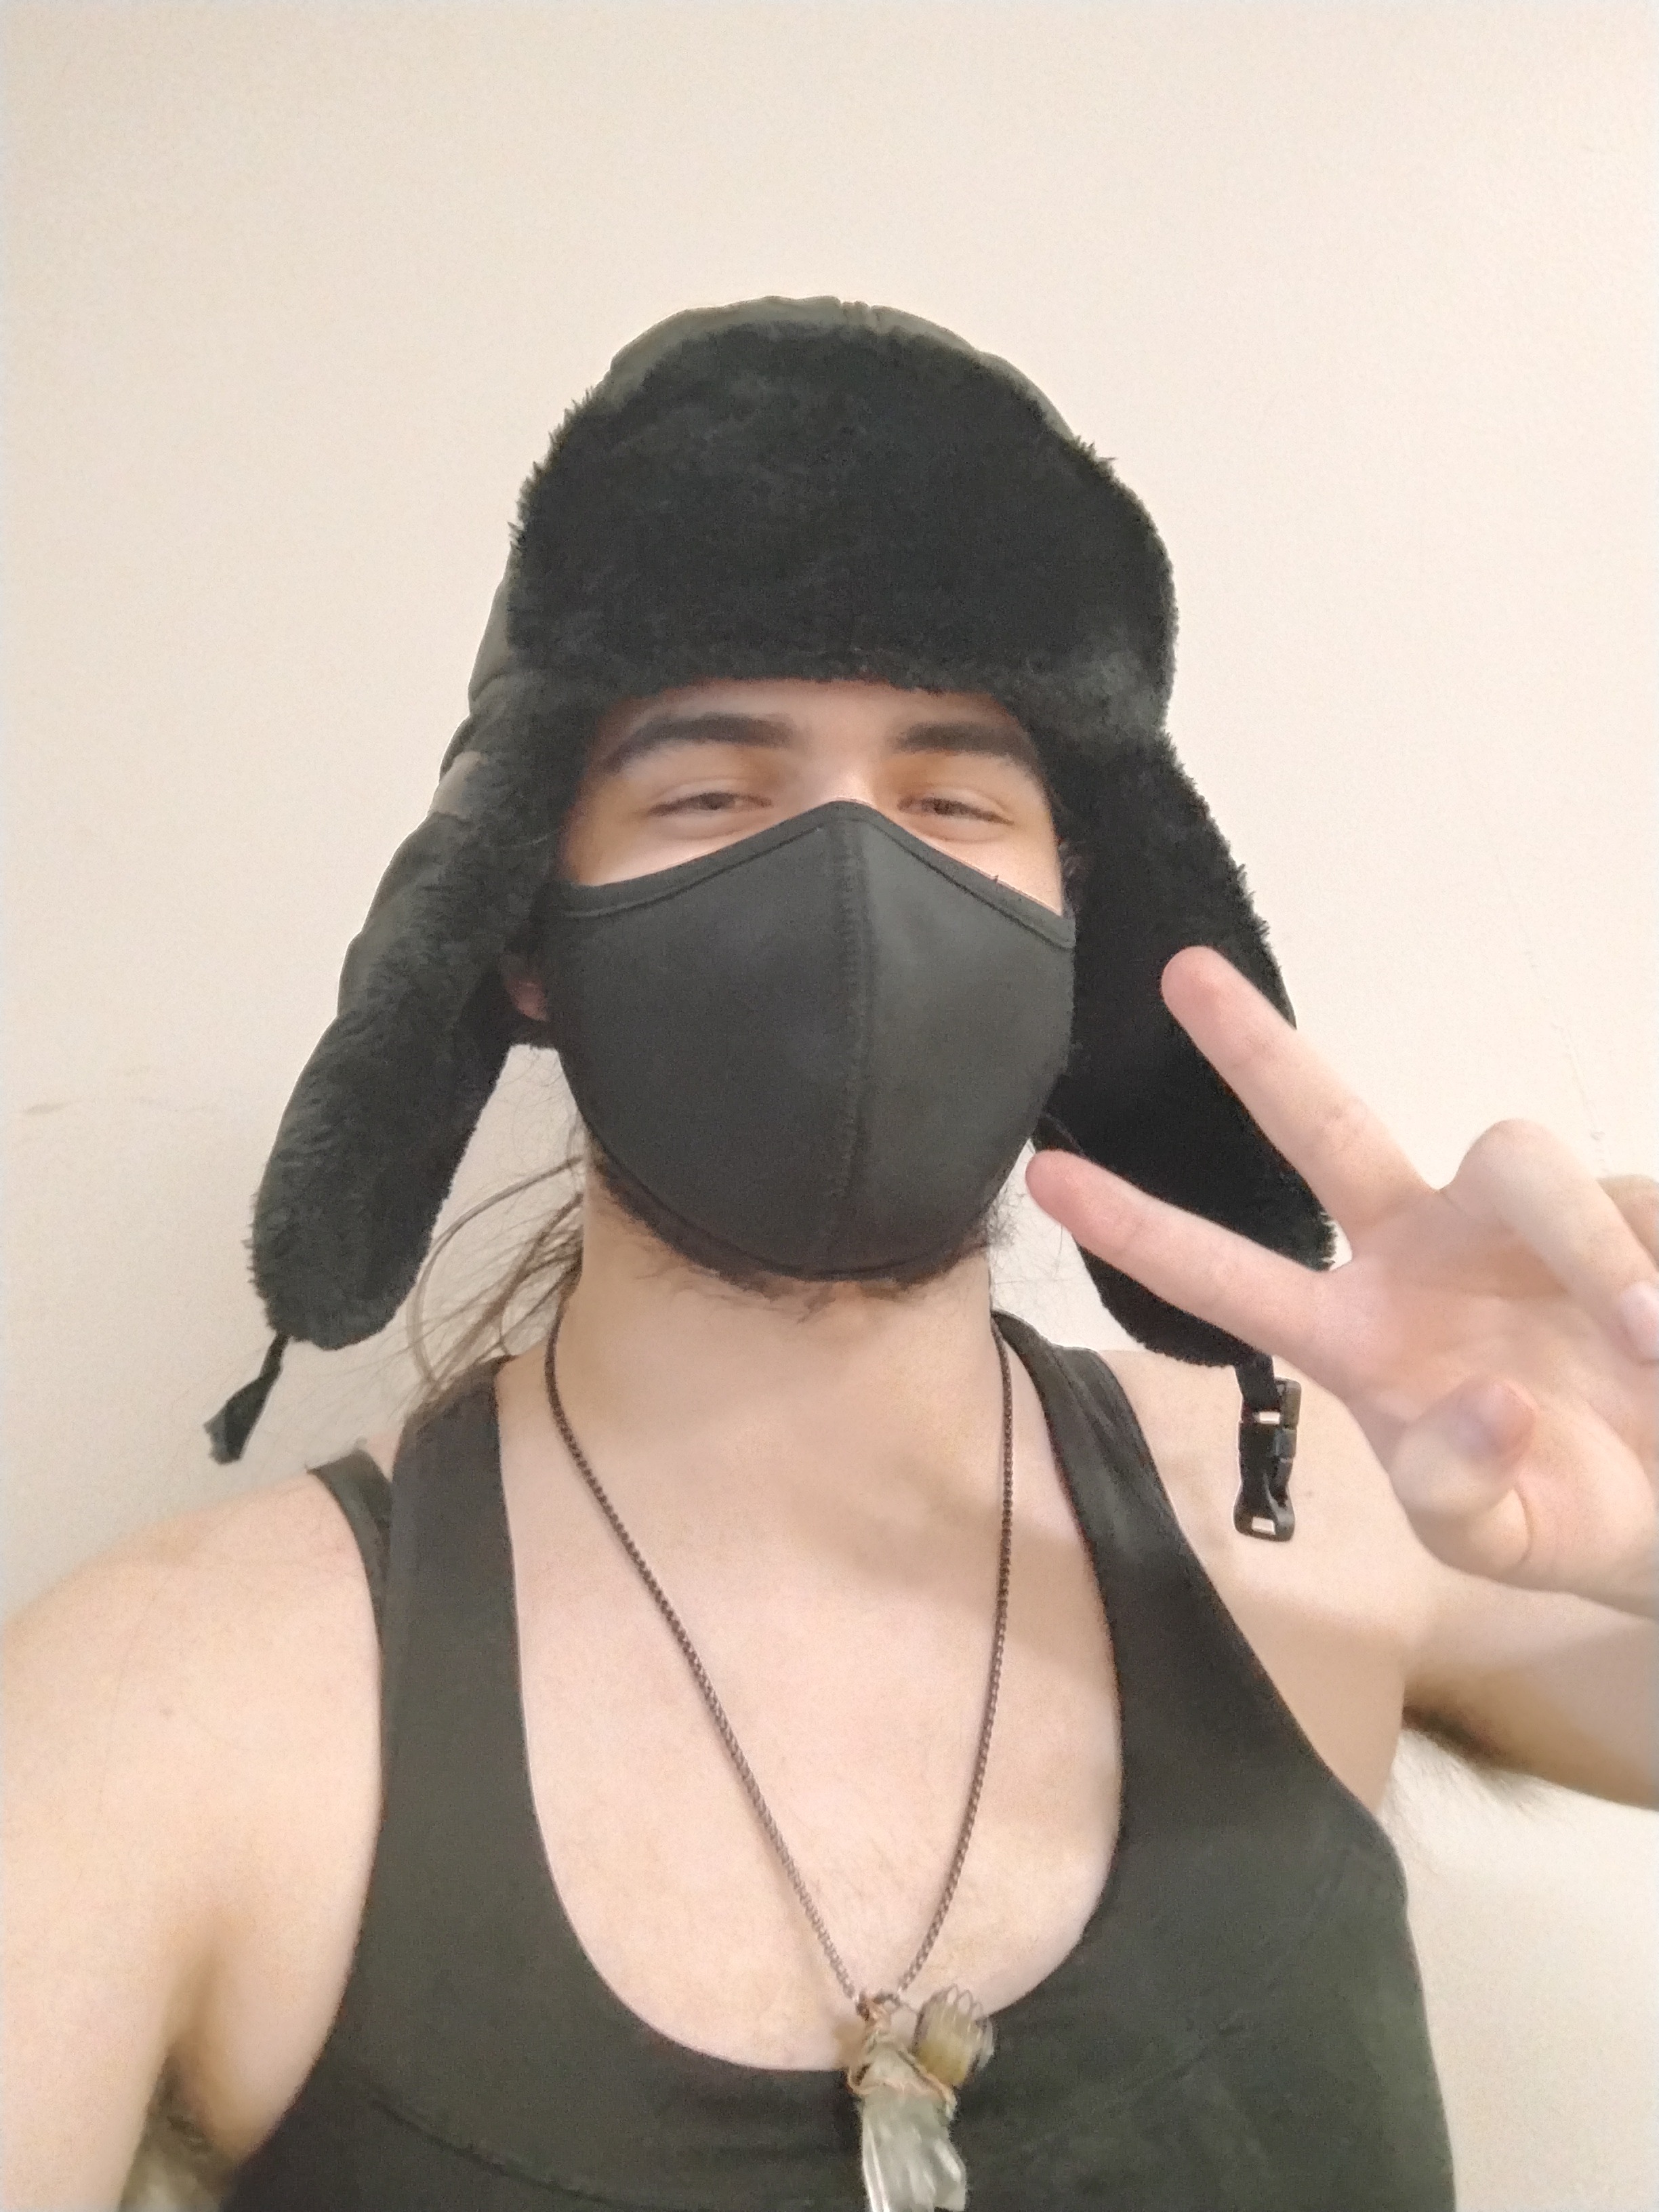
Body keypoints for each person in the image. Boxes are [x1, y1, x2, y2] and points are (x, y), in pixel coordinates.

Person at [3, 298, 1654, 2212]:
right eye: (712, 795)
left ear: (1077, 928)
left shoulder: (1338, 1521)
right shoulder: (168, 1713)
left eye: (955, 802)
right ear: (523, 939)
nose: (858, 883)